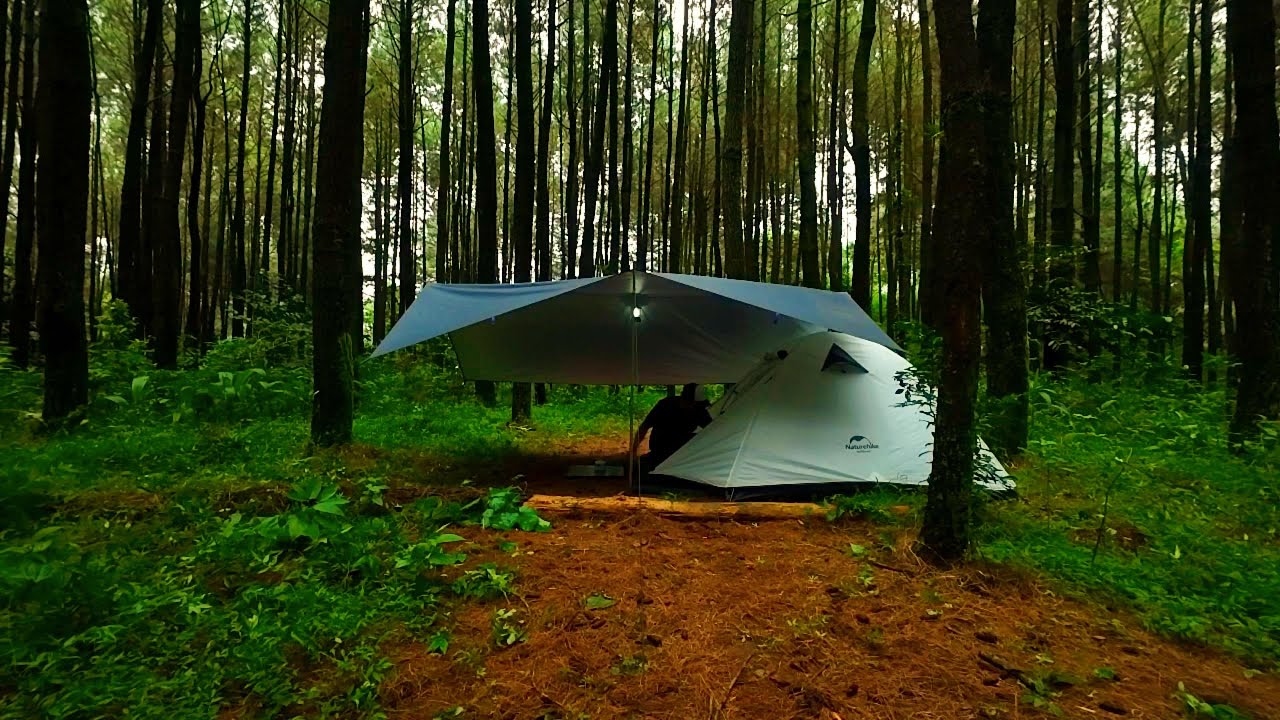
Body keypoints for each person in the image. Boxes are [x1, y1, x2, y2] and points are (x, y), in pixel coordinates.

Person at [631, 383, 713, 478]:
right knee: (643, 471)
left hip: (683, 452)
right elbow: (645, 426)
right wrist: (633, 451)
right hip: (661, 448)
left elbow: (712, 429)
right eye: (692, 403)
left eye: (697, 404)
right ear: (685, 399)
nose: (694, 406)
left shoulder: (699, 409)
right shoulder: (665, 405)